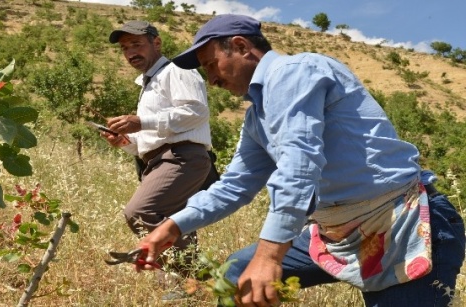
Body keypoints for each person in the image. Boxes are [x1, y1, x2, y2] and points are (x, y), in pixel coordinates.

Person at [136, 14, 465, 306]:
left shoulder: (293, 72)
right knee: (236, 275)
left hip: (402, 224)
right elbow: (234, 187)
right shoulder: (257, 118)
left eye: (211, 64)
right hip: (338, 231)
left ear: (240, 46)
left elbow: (299, 165)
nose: (212, 80)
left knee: (257, 267)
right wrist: (173, 225)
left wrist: (269, 256)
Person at [101, 20, 218, 274]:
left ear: (156, 43)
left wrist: (141, 121)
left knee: (141, 212)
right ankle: (190, 282)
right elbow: (153, 141)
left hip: (181, 158)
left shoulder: (177, 70)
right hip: (165, 159)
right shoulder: (149, 82)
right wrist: (125, 142)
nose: (130, 52)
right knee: (175, 221)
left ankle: (189, 275)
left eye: (136, 44)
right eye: (124, 48)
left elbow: (197, 112)